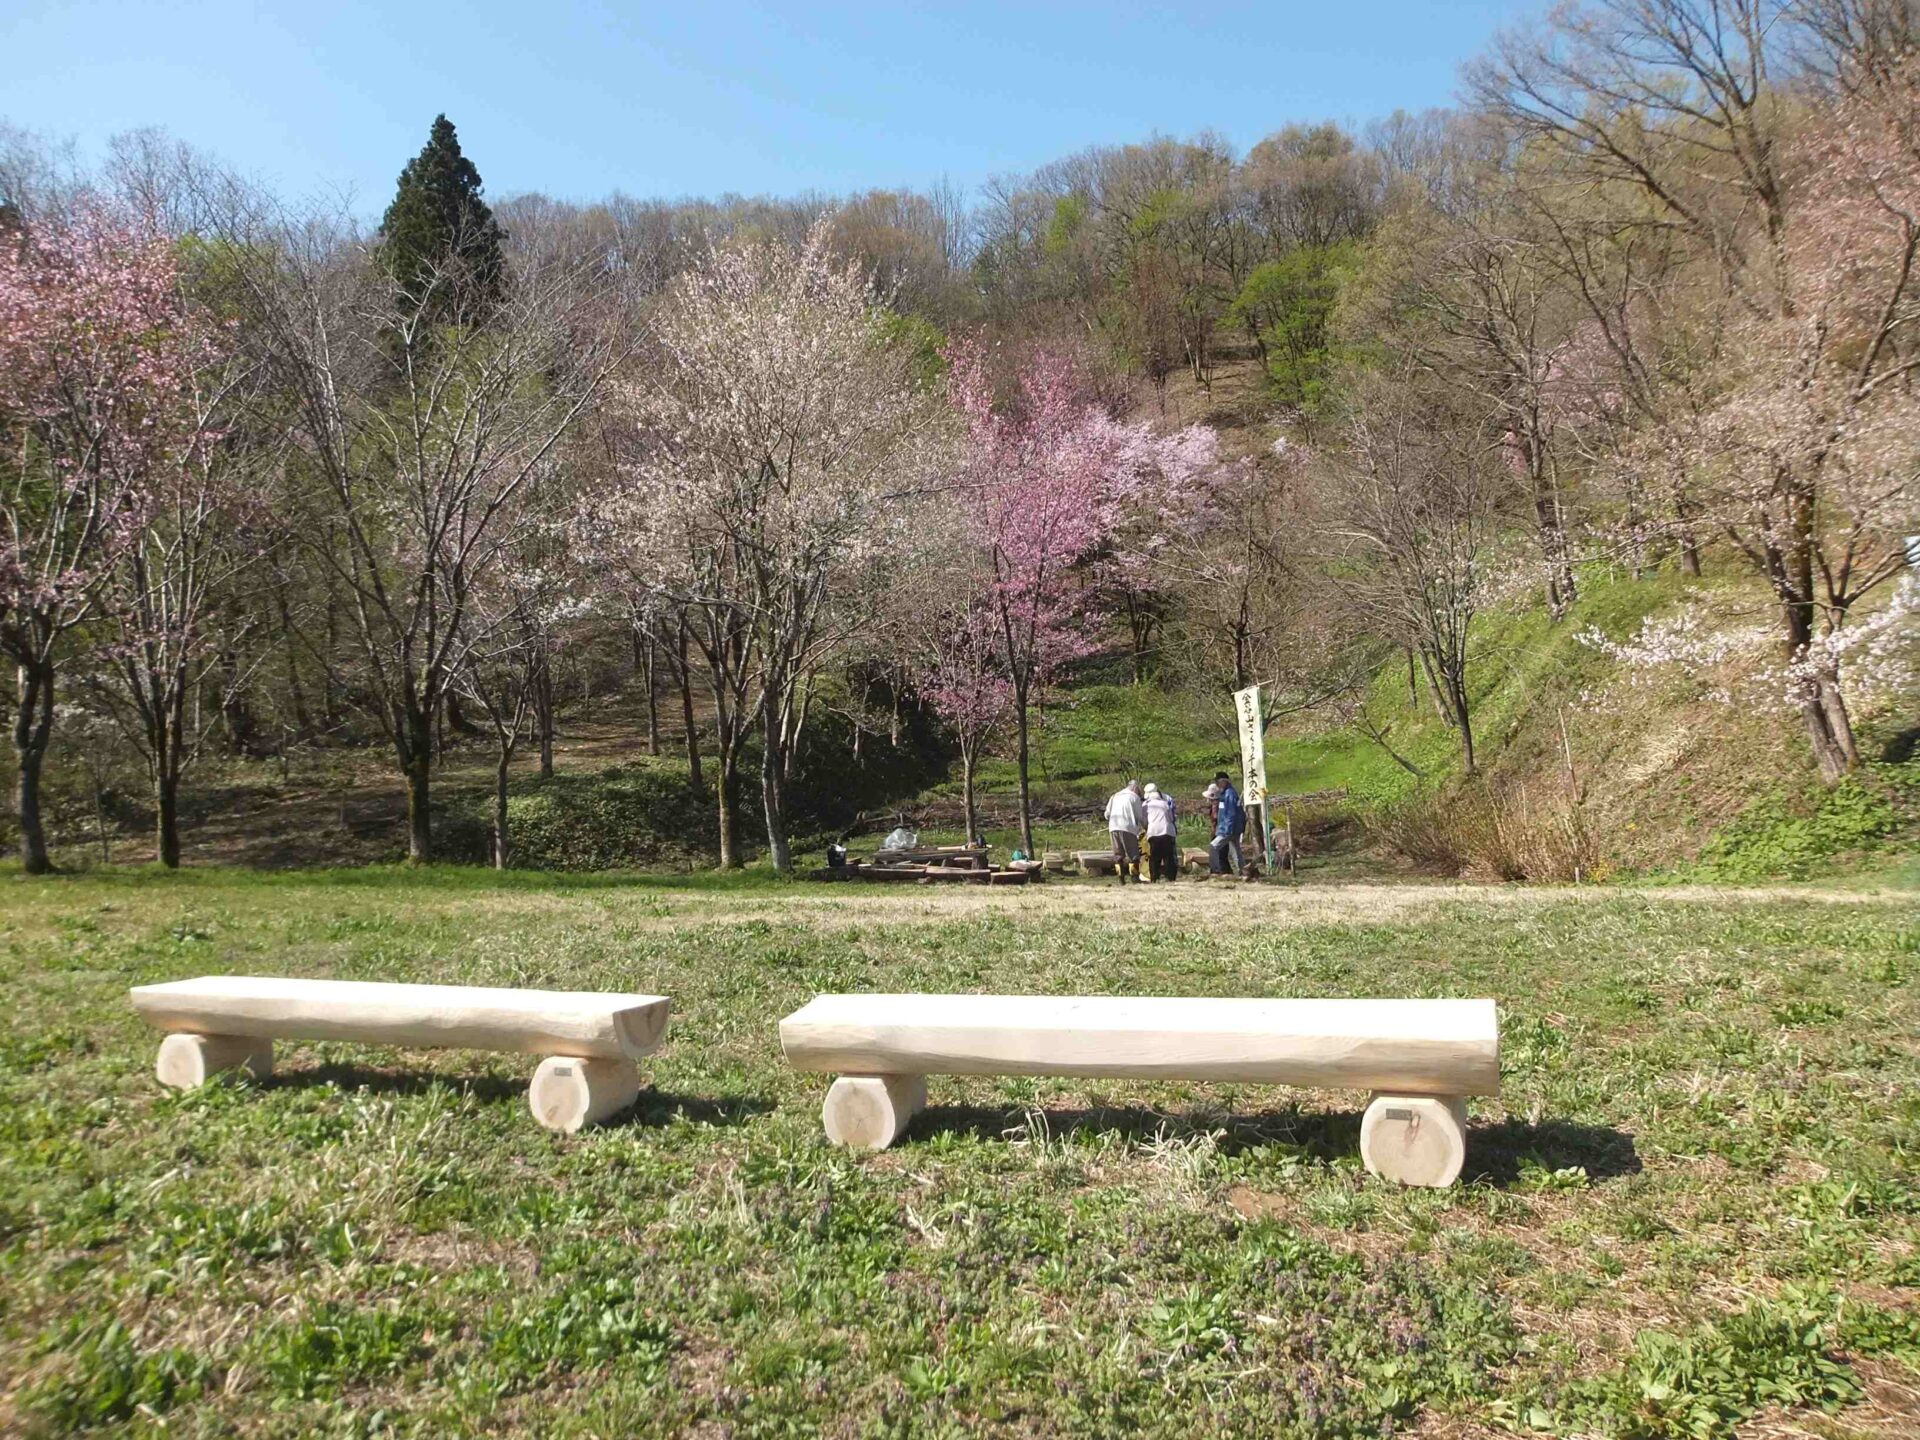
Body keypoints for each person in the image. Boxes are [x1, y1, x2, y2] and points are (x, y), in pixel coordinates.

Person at [1104, 778, 1145, 884]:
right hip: (1128, 827)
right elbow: (1139, 816)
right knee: (1133, 854)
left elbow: (1107, 814)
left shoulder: (1114, 796)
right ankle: (1134, 878)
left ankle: (1120, 878)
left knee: (1118, 854)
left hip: (1113, 827)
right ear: (1135, 788)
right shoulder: (1134, 797)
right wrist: (1145, 827)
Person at [1143, 782, 1178, 882]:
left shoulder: (1146, 805)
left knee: (1154, 856)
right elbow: (1171, 818)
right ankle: (1170, 877)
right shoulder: (1164, 803)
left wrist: (1146, 828)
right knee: (1168, 856)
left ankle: (1154, 877)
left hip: (1153, 832)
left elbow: (1144, 820)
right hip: (1167, 831)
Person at [1210, 771, 1244, 876]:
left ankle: (1216, 870)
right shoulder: (1226, 793)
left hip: (1228, 829)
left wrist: (1226, 830)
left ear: (1224, 781)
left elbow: (1230, 813)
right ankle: (1242, 871)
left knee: (1214, 846)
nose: (1217, 784)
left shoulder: (1229, 794)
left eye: (1218, 782)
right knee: (1236, 852)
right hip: (1232, 828)